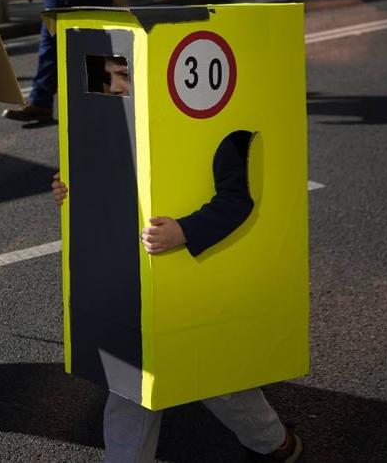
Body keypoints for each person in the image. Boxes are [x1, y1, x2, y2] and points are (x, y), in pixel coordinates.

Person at [51, 56, 304, 463]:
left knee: (215, 377)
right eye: (112, 78)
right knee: (131, 384)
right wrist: (69, 189)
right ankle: (272, 443)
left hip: (186, 284)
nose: (118, 87)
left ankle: (274, 444)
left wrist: (185, 231)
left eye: (125, 77)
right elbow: (101, 177)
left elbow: (236, 200)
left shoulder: (213, 128)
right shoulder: (115, 128)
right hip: (128, 285)